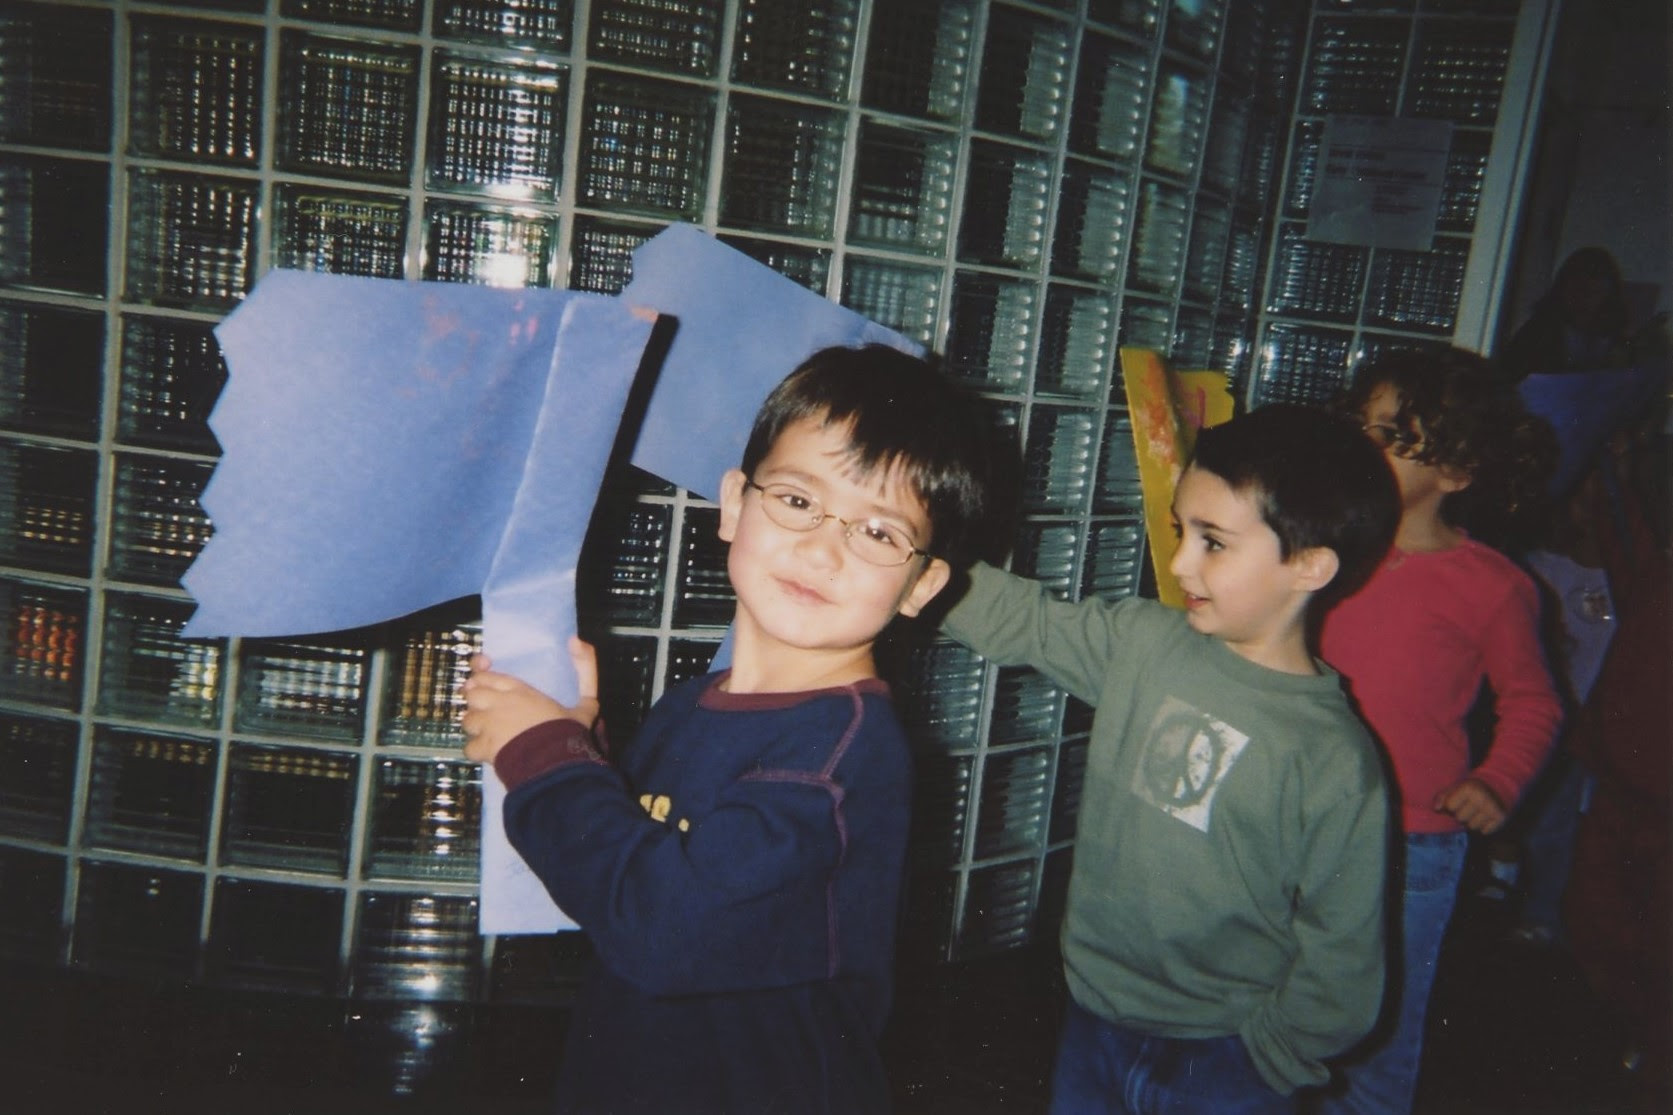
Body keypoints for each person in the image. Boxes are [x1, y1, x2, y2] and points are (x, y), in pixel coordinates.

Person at [459, 344, 992, 1113]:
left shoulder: (838, 758)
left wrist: (542, 756)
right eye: (799, 501)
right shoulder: (695, 703)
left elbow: (663, 927)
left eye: (878, 533)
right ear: (735, 504)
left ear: (922, 584)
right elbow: (643, 851)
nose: (821, 547)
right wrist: (581, 741)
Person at [941, 404, 1401, 1114]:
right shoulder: (1145, 642)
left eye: (1213, 542)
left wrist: (1270, 1055)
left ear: (1308, 565)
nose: (1180, 562)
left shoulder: (1333, 760)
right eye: (1180, 530)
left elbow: (1343, 952)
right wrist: (908, 564)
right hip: (1092, 1016)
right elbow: (1026, 622)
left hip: (1223, 1055)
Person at [1315, 347, 1564, 1115]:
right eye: (1362, 426)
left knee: (1381, 1027)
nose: (1364, 445)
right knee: (1281, 1001)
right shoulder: (1324, 548)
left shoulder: (1491, 585)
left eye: (1390, 437)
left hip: (1412, 839)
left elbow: (1534, 702)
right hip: (1302, 814)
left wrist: (1495, 780)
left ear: (1455, 472)